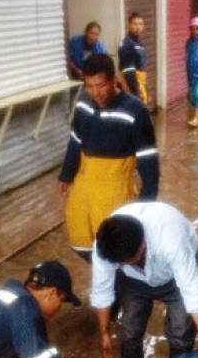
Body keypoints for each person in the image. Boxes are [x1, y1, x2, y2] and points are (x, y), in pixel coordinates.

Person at [91, 202, 198, 358]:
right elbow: (102, 291)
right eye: (117, 264)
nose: (120, 267)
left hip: (175, 276)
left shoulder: (171, 241)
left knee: (181, 332)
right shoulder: (105, 246)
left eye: (125, 262)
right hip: (134, 282)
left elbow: (193, 291)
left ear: (142, 246)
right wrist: (104, 334)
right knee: (129, 332)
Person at [58, 54, 160, 263]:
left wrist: (143, 210)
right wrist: (65, 175)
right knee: (81, 243)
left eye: (101, 85)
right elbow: (75, 142)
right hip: (83, 192)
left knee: (118, 251)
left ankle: (121, 287)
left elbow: (150, 167)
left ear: (114, 80)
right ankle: (106, 284)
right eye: (90, 86)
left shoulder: (135, 112)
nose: (96, 92)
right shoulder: (83, 106)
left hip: (115, 196)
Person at [119, 12, 148, 104]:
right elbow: (128, 70)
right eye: (135, 24)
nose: (138, 27)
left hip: (140, 84)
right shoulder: (127, 43)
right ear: (129, 25)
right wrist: (136, 93)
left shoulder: (139, 43)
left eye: (140, 24)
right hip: (132, 85)